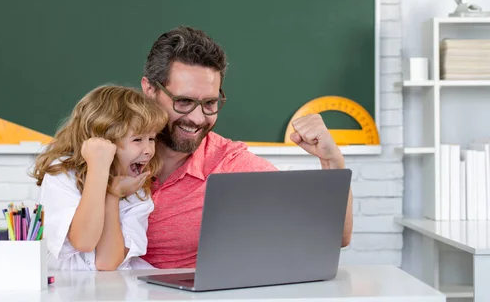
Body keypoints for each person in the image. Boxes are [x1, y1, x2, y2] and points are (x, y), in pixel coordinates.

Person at [140, 26, 354, 268]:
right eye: (184, 101)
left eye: (210, 103)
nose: (198, 118)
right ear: (150, 90)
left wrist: (332, 162)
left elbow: (335, 237)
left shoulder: (230, 165)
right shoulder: (109, 151)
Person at [31, 85, 168, 270]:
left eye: (152, 139)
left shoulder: (136, 190)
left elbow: (107, 263)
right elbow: (84, 241)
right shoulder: (62, 175)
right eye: (137, 140)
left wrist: (113, 194)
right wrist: (98, 167)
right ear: (103, 141)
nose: (149, 150)